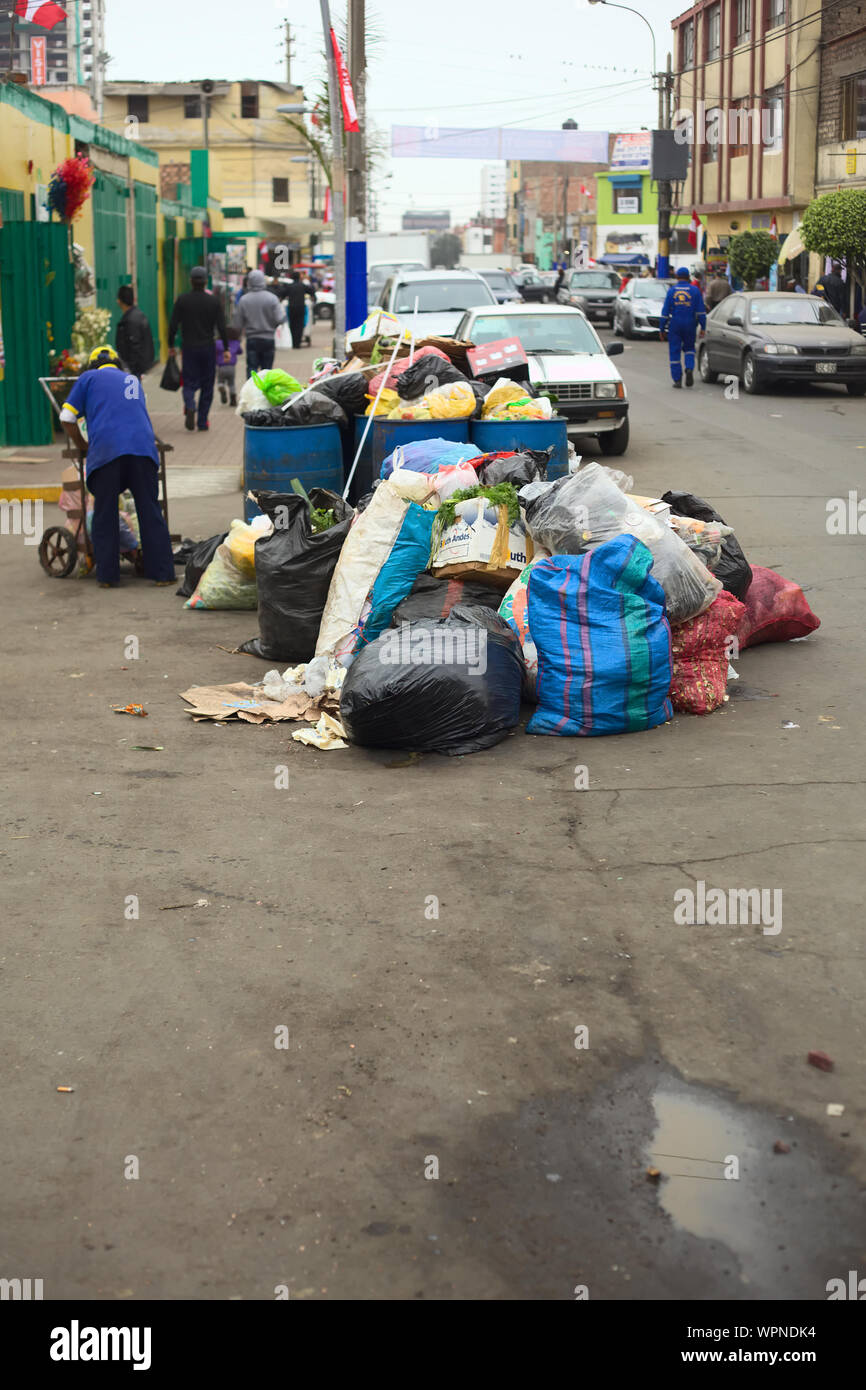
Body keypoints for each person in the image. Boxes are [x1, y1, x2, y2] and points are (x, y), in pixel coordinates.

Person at [59, 345, 175, 588]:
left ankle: (109, 577)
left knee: (105, 512)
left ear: (92, 365)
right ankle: (163, 573)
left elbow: (67, 417)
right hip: (143, 450)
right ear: (117, 363)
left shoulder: (88, 378)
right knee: (150, 511)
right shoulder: (132, 380)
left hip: (107, 452)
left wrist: (83, 445)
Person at [168, 266, 230, 432]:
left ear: (191, 281)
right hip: (208, 348)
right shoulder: (213, 301)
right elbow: (222, 326)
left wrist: (170, 345)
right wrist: (225, 348)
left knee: (188, 382)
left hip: (188, 348)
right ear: (205, 282)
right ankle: (202, 421)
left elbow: (173, 325)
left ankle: (190, 405)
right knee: (207, 385)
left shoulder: (182, 300)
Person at [231, 268, 286, 377]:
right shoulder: (272, 298)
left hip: (252, 339)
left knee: (252, 370)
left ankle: (251, 392)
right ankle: (265, 393)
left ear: (249, 281)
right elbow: (280, 319)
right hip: (268, 339)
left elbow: (237, 324)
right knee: (267, 372)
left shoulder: (244, 300)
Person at [660, 265, 707, 389]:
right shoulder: (695, 291)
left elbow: (665, 313)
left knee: (674, 352)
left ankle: (677, 380)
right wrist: (703, 327)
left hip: (675, 324)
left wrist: (662, 329)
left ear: (677, 277)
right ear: (688, 277)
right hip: (690, 324)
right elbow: (701, 312)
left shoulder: (671, 291)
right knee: (690, 349)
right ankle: (689, 368)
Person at [115, 286, 154, 378]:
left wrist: (130, 368)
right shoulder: (138, 315)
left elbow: (134, 345)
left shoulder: (130, 320)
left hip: (133, 368)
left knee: (132, 392)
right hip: (138, 366)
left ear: (120, 301)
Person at [283, 269, 316, 349]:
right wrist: (313, 297)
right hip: (301, 307)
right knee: (299, 325)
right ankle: (297, 343)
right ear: (299, 277)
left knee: (292, 325)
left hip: (291, 308)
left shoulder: (289, 286)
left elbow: (282, 293)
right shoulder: (302, 285)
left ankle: (293, 343)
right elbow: (311, 290)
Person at [215, 333, 242, 407]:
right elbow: (240, 351)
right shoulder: (236, 343)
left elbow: (214, 351)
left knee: (220, 381)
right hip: (231, 367)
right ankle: (233, 399)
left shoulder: (218, 342)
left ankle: (221, 388)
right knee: (231, 383)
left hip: (221, 367)